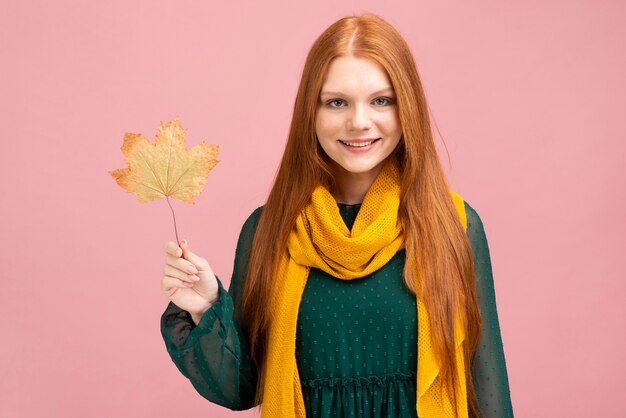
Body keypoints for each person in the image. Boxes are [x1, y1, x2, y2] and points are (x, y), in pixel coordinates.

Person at [160, 13, 513, 418]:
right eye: (337, 102)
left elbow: (489, 394)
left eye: (382, 100)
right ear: (311, 112)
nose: (359, 122)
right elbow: (243, 388)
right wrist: (204, 307)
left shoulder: (455, 226)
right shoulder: (268, 230)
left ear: (407, 108)